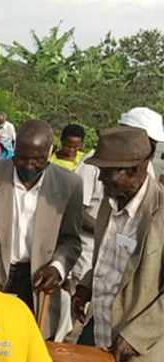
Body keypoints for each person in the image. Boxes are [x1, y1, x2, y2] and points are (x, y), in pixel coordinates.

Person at [69, 127, 164, 362]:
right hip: (98, 331)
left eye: (108, 174)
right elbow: (110, 259)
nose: (100, 182)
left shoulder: (160, 212)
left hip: (136, 349)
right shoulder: (111, 204)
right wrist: (85, 286)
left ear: (137, 170)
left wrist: (136, 337)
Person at [0, 119, 82, 338]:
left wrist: (57, 267)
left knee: (30, 350)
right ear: (14, 149)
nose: (29, 165)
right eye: (22, 158)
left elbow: (71, 241)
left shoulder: (70, 185)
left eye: (37, 159)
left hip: (39, 281)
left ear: (50, 153)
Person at [71, 107, 162, 285]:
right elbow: (75, 210)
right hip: (88, 256)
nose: (101, 178)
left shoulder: (156, 203)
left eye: (150, 143)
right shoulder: (97, 166)